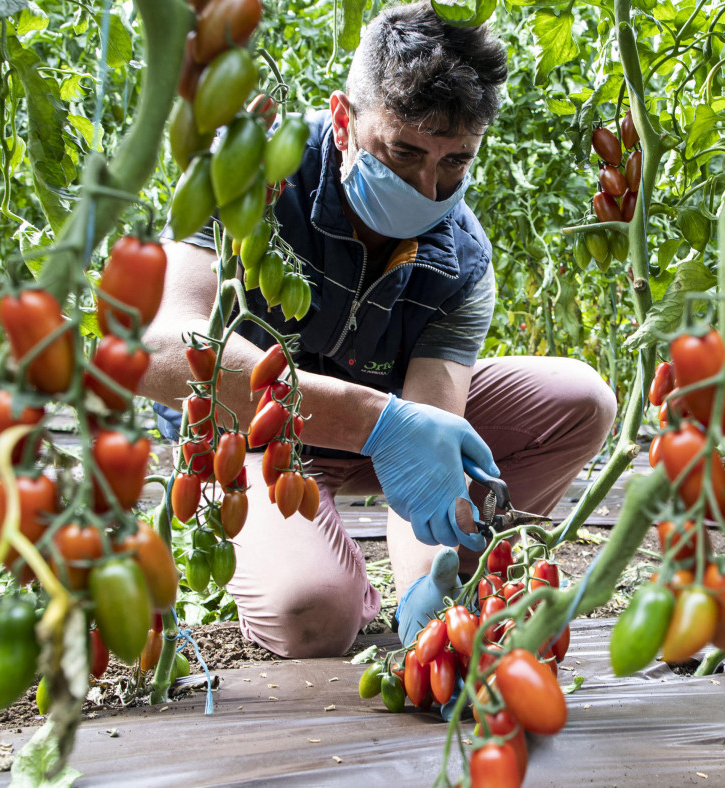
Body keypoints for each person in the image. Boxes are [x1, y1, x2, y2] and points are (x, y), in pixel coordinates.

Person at [140, 1, 616, 662]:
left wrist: (431, 590)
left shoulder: (461, 257)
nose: (428, 186)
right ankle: (331, 573)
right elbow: (164, 350)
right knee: (313, 617)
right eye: (405, 151)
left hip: (374, 437)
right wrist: (379, 424)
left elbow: (429, 435)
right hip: (251, 439)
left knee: (579, 400)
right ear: (344, 121)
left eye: (455, 161)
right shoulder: (251, 173)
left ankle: (450, 579)